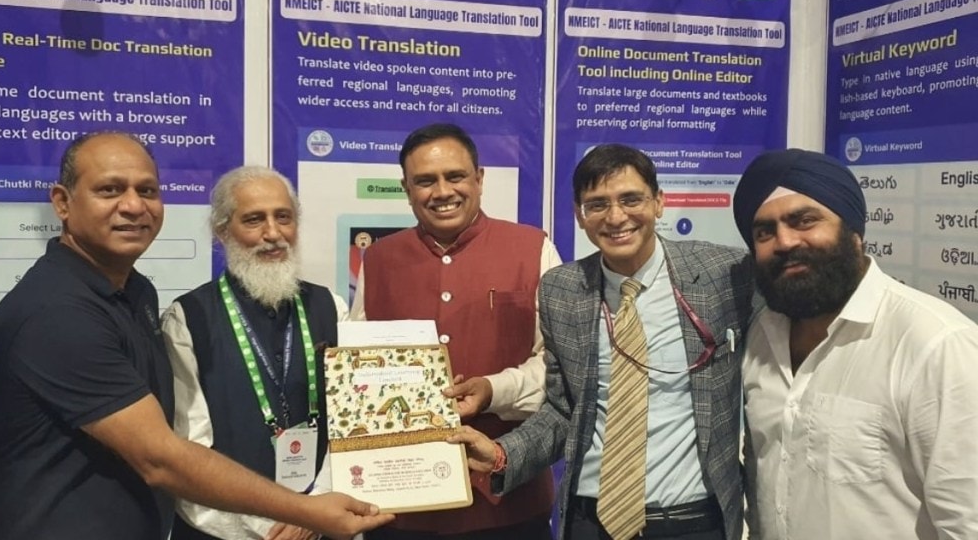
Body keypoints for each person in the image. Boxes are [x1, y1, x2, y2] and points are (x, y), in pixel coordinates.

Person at [0, 131, 393, 540]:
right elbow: (162, 457)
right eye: (110, 190)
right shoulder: (56, 313)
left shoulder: (135, 293)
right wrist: (299, 514)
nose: (133, 206)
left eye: (147, 191)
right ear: (63, 202)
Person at [451, 144, 755, 540]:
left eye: (631, 199)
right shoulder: (562, 290)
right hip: (591, 521)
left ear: (659, 202)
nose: (615, 217)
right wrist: (502, 454)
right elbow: (564, 409)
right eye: (597, 205)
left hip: (693, 522)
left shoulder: (723, 274)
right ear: (580, 216)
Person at [732, 148, 978, 539]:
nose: (785, 241)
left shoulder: (936, 344)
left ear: (854, 231)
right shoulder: (762, 334)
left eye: (804, 220)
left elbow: (967, 521)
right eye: (764, 232)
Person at [349, 122, 562, 539]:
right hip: (401, 508)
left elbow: (559, 369)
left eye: (455, 176)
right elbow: (359, 372)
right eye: (425, 181)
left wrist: (495, 389)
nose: (442, 191)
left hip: (510, 503)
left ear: (479, 179)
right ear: (407, 189)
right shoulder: (378, 260)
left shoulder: (533, 248)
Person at [162, 166, 349, 540]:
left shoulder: (332, 308)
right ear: (222, 231)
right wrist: (270, 528)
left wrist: (314, 512)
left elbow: (350, 428)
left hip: (322, 525)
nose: (273, 233)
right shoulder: (187, 319)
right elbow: (186, 454)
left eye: (284, 217)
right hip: (227, 532)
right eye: (254, 220)